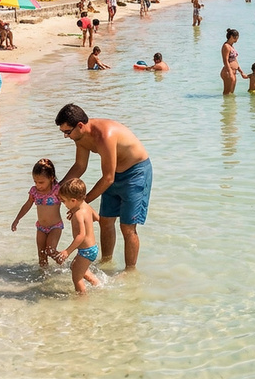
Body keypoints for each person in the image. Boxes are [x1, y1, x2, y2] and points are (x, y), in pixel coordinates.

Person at [54, 103, 153, 270]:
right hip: (113, 174)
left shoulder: (105, 135)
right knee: (105, 221)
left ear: (80, 125)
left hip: (136, 173)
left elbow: (108, 178)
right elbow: (80, 166)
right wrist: (57, 189)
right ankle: (106, 262)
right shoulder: (80, 137)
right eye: (63, 132)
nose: (65, 136)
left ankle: (130, 270)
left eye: (67, 132)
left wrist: (81, 203)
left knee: (127, 227)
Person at [12, 159, 65, 270]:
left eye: (41, 182)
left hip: (55, 226)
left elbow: (68, 201)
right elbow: (27, 205)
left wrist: (74, 211)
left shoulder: (57, 190)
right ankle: (44, 276)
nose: (38, 185)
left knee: (50, 250)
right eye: (35, 182)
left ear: (51, 178)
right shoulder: (34, 191)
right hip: (41, 228)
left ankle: (65, 266)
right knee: (41, 255)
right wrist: (17, 219)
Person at [53, 178, 101, 294]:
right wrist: (84, 219)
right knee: (74, 266)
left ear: (73, 200)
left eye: (64, 201)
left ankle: (82, 298)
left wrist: (67, 251)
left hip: (86, 251)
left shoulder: (78, 214)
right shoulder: (86, 206)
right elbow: (97, 218)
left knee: (76, 277)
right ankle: (97, 284)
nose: (64, 204)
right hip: (92, 248)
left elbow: (81, 235)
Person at [220, 28, 244, 96]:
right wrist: (230, 72)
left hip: (233, 71)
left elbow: (234, 59)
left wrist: (241, 71)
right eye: (236, 38)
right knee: (227, 93)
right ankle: (225, 103)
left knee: (231, 93)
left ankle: (230, 103)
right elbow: (225, 60)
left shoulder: (231, 46)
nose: (237, 40)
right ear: (231, 36)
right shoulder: (226, 46)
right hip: (228, 72)